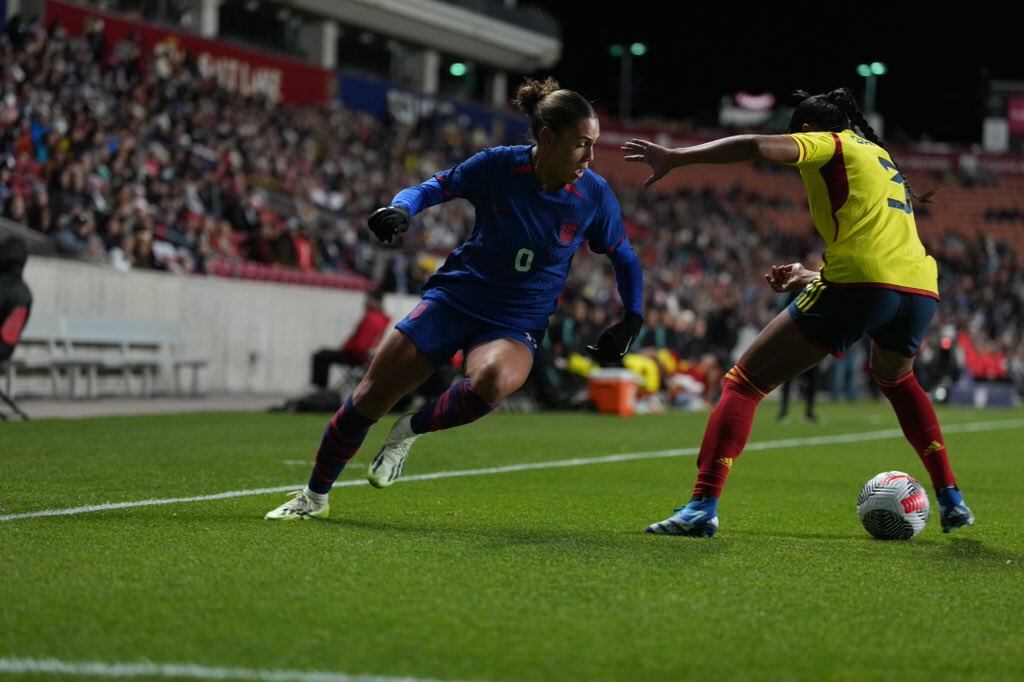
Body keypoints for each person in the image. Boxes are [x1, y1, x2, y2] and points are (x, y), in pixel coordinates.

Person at [266, 78, 645, 520]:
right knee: (368, 397)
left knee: (491, 382)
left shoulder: (595, 195)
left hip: (515, 321)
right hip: (455, 299)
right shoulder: (499, 166)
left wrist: (632, 317)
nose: (591, 157)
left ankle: (409, 429)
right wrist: (401, 208)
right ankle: (313, 498)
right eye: (583, 145)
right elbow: (434, 187)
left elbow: (625, 259)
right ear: (548, 138)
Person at [623, 88, 973, 537]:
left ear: (806, 129)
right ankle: (951, 497)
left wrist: (676, 157)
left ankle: (701, 506)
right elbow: (880, 255)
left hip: (865, 282)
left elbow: (754, 146)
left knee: (743, 384)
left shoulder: (829, 142)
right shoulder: (880, 156)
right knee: (898, 379)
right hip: (920, 288)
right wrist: (814, 276)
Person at [309, 293, 390, 390]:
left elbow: (361, 344)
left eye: (367, 300)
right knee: (323, 354)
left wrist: (346, 348)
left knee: (320, 356)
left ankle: (320, 391)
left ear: (372, 301)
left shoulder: (372, 318)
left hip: (356, 355)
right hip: (363, 356)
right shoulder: (381, 318)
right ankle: (321, 391)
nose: (364, 303)